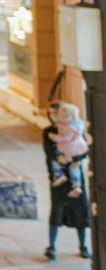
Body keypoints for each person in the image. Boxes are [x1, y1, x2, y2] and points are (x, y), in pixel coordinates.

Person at [44, 102, 92, 260]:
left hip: (75, 176)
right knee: (57, 210)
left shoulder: (75, 128)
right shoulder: (49, 132)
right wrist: (59, 158)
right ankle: (52, 246)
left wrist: (76, 159)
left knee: (80, 210)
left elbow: (83, 147)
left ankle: (83, 246)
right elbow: (49, 150)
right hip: (59, 178)